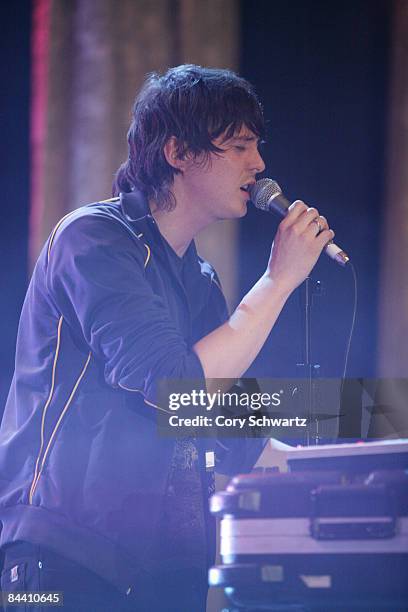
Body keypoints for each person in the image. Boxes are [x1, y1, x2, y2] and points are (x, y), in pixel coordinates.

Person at [0, 65, 333, 611]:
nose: (259, 164)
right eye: (240, 146)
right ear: (178, 152)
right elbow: (176, 387)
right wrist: (278, 281)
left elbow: (231, 429)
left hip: (165, 568)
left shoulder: (198, 281)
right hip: (69, 555)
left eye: (258, 146)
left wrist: (349, 452)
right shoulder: (94, 239)